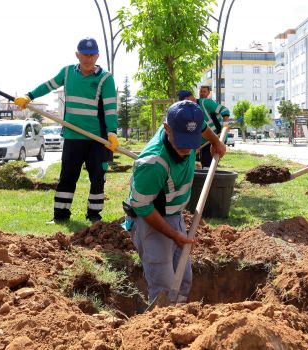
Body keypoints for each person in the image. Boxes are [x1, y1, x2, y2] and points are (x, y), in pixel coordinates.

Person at [123, 100, 226, 303]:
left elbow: (203, 126)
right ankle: (161, 326)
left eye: (192, 141)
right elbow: (143, 207)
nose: (187, 148)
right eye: (181, 141)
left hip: (175, 214)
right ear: (167, 128)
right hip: (151, 219)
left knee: (184, 278)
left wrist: (215, 141)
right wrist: (174, 235)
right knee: (164, 285)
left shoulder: (190, 125)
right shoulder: (153, 163)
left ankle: (179, 319)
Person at [14, 37, 119, 224]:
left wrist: (112, 132)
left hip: (97, 138)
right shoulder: (68, 72)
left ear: (97, 56)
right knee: (68, 176)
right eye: (84, 55)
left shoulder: (105, 78)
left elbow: (111, 108)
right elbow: (49, 85)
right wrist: (29, 96)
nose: (87, 59)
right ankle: (60, 215)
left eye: (91, 55)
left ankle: (94, 215)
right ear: (77, 54)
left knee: (97, 178)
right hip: (73, 136)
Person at [197, 85, 230, 168]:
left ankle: (209, 177)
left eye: (204, 91)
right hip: (205, 139)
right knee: (205, 162)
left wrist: (225, 126)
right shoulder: (197, 104)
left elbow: (225, 110)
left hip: (215, 136)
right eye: (201, 91)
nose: (202, 93)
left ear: (208, 93)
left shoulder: (206, 102)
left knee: (208, 162)